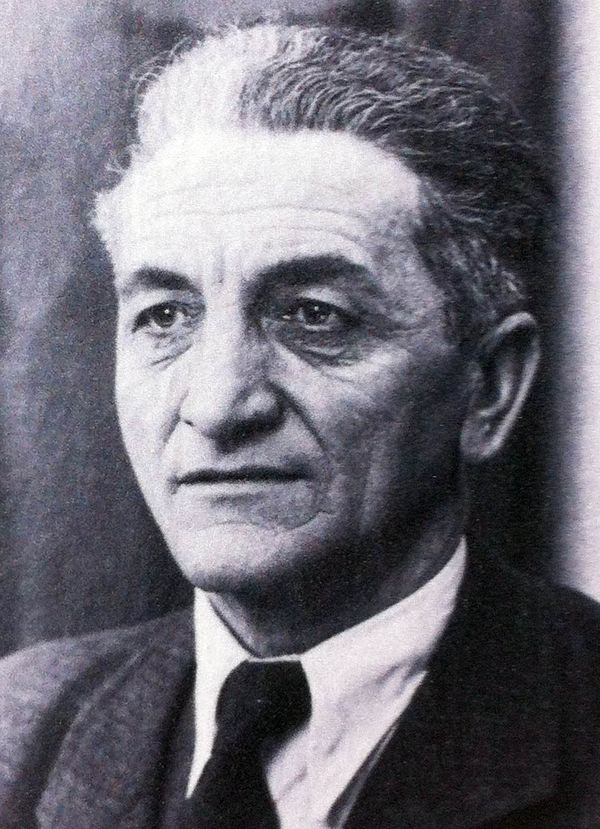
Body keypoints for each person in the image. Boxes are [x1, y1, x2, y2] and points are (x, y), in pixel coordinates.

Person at [1, 21, 599, 829]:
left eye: (315, 315)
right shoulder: (20, 727)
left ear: (488, 387)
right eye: (165, 315)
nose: (218, 405)